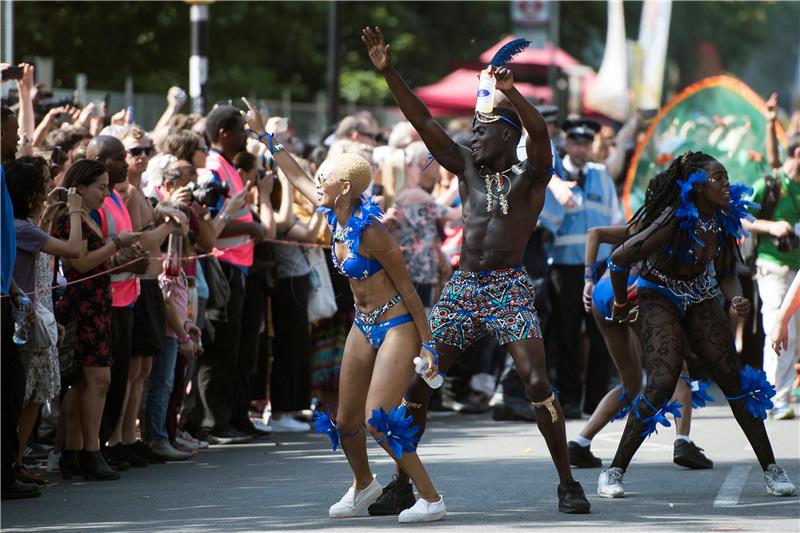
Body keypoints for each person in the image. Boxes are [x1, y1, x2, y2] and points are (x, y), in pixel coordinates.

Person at [362, 26, 591, 515]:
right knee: (420, 383)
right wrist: (388, 73)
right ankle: (405, 482)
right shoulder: (468, 170)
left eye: (483, 130)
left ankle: (568, 482)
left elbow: (542, 134)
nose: (473, 136)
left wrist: (511, 93)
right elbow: (423, 121)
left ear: (508, 135)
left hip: (508, 289)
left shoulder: (532, 179)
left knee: (535, 384)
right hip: (464, 287)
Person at [244, 96, 447, 523]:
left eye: (326, 177)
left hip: (397, 323)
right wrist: (265, 135)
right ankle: (363, 485)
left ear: (346, 188)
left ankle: (430, 497)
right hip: (364, 322)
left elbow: (409, 288)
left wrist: (428, 345)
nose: (318, 180)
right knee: (345, 418)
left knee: (377, 419)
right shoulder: (332, 214)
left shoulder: (371, 231)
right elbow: (296, 174)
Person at [596, 151, 797, 500]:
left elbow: (728, 273)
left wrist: (735, 298)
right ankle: (614, 471)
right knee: (662, 381)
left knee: (733, 379)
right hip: (657, 293)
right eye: (717, 178)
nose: (726, 184)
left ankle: (771, 469)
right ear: (696, 186)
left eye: (726, 177)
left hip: (700, 296)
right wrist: (619, 300)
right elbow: (618, 258)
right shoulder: (674, 218)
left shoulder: (723, 218)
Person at [569, 174, 713, 471]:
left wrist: (587, 280)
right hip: (633, 293)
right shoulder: (673, 227)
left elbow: (594, 233)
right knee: (678, 370)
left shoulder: (639, 224)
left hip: (602, 292)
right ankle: (683, 441)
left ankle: (580, 443)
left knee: (630, 383)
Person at [52, 160, 141, 480]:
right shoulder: (68, 219)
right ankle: (91, 451)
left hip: (98, 305)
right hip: (83, 307)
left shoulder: (89, 218)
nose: (105, 195)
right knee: (96, 379)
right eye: (100, 188)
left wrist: (120, 253)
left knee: (87, 382)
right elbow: (82, 262)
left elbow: (97, 262)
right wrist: (117, 244)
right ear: (81, 188)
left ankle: (77, 451)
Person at [5, 158, 85, 485]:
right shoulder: (20, 228)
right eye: (41, 187)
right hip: (21, 320)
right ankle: (12, 463)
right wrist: (76, 212)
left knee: (33, 394)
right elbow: (74, 249)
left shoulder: (21, 225)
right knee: (21, 396)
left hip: (34, 314)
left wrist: (51, 212)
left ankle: (17, 461)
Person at [194, 105, 267, 445]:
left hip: (240, 267)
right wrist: (250, 225)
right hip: (222, 265)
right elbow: (210, 225)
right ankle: (213, 421)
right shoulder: (212, 168)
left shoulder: (229, 166)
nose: (245, 137)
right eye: (241, 130)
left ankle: (235, 416)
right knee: (219, 349)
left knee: (237, 349)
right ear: (224, 132)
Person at [540, 117, 622, 419]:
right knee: (566, 336)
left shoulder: (601, 174)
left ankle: (596, 403)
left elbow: (615, 218)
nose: (582, 148)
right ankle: (571, 400)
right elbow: (545, 222)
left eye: (587, 143)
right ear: (566, 143)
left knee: (601, 334)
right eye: (576, 142)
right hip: (564, 266)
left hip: (599, 266)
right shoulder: (555, 175)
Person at [744, 93, 800, 420]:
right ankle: (771, 397)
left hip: (796, 271)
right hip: (771, 267)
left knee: (791, 332)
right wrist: (773, 226)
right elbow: (743, 217)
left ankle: (782, 396)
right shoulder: (771, 183)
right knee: (776, 328)